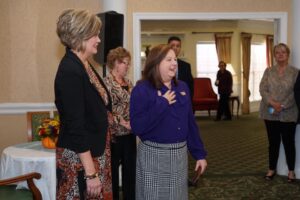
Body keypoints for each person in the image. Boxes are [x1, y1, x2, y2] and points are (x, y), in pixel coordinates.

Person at [130, 44, 207, 200]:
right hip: (153, 157)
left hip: (179, 156)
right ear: (156, 63)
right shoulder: (142, 89)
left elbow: (190, 124)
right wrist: (162, 104)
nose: (174, 63)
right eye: (169, 59)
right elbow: (138, 127)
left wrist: (199, 155)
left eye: (175, 59)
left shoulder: (182, 87)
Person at [55, 9, 113, 199]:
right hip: (80, 162)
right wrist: (91, 172)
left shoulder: (84, 64)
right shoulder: (70, 70)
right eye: (95, 35)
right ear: (80, 35)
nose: (99, 39)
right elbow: (75, 125)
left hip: (93, 154)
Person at [259, 43, 298, 183]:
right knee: (273, 142)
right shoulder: (268, 71)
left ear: (288, 55)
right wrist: (272, 103)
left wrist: (282, 105)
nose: (280, 54)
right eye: (277, 52)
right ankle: (271, 169)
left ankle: (291, 171)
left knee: (289, 143)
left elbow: (296, 92)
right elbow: (262, 88)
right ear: (274, 55)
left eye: (283, 52)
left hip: (288, 112)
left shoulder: (295, 72)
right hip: (269, 112)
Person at [104, 47, 136, 200]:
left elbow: (135, 105)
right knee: (113, 175)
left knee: (130, 172)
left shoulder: (129, 83)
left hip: (130, 135)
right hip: (114, 136)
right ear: (116, 63)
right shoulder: (105, 83)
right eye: (125, 63)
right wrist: (121, 121)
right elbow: (103, 110)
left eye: (128, 63)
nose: (127, 66)